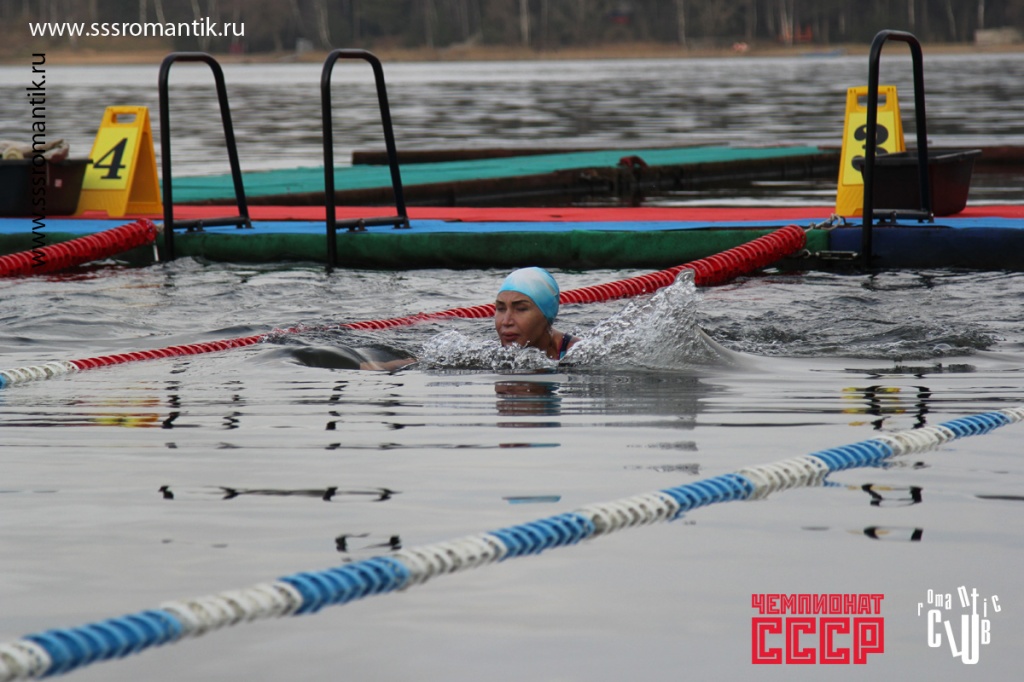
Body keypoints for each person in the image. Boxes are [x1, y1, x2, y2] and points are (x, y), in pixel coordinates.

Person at [494, 266, 577, 361]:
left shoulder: (577, 355)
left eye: (521, 309)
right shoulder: (489, 353)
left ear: (546, 315)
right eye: (501, 308)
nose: (506, 322)